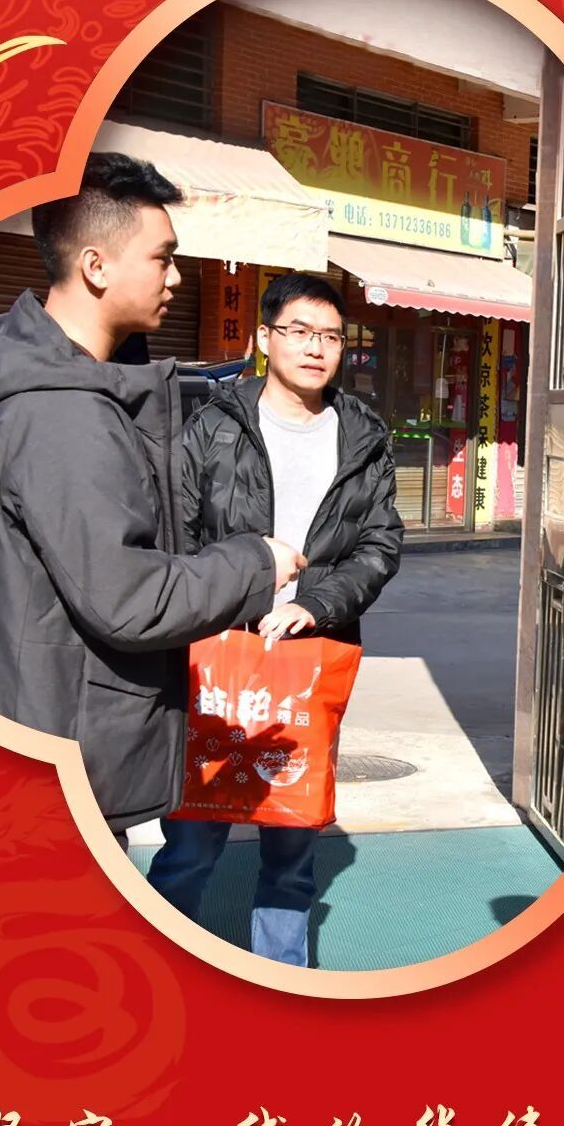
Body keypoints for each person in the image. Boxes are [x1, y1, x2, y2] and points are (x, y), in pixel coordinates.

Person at [0, 153, 304, 836]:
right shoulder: (63, 412)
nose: (175, 277)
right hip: (51, 762)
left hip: (16, 734)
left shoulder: (28, 379)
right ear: (96, 266)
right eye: (163, 258)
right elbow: (129, 599)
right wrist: (257, 563)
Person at [147, 272, 404, 966]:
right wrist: (235, 591)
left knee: (291, 843)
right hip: (217, 652)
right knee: (191, 838)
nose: (315, 348)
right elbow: (177, 539)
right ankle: (155, 969)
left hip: (310, 655)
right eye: (298, 331)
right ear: (265, 338)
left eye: (330, 336)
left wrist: (314, 604)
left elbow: (379, 545)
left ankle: (283, 981)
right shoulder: (212, 426)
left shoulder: (363, 434)